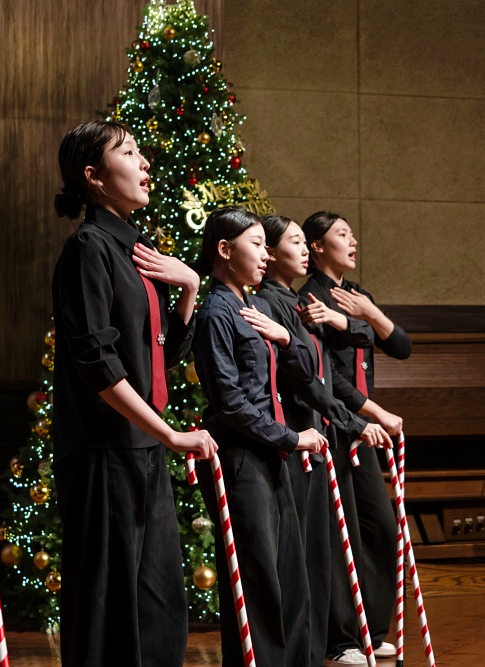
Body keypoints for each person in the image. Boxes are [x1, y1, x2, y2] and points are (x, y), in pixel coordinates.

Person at [51, 119, 217, 667]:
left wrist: (189, 286)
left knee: (157, 600)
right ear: (93, 177)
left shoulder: (136, 252)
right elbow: (97, 363)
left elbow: (158, 359)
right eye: (128, 152)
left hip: (141, 445)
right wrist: (169, 434)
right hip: (102, 450)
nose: (145, 163)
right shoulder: (88, 248)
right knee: (106, 603)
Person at [192, 206, 327, 667]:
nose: (266, 255)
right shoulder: (215, 312)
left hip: (269, 453)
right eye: (256, 245)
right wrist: (290, 437)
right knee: (257, 583)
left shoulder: (257, 307)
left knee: (291, 577)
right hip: (240, 457)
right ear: (225, 250)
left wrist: (287, 338)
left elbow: (306, 372)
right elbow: (230, 403)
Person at [255, 215, 390, 666]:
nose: (303, 251)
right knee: (319, 545)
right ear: (270, 253)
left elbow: (335, 362)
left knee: (332, 540)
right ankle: (333, 641)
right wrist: (354, 422)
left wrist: (340, 319)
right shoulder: (268, 302)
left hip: (322, 432)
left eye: (302, 241)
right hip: (298, 438)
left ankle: (342, 638)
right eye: (294, 242)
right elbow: (303, 381)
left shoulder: (298, 302)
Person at [299, 211, 411, 664]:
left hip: (362, 431)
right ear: (317, 246)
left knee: (380, 527)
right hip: (335, 426)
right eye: (342, 234)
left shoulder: (358, 295)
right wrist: (374, 412)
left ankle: (372, 630)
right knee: (338, 532)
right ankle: (341, 638)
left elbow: (400, 346)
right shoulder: (308, 297)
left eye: (351, 233)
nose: (353, 241)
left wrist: (366, 314)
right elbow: (328, 377)